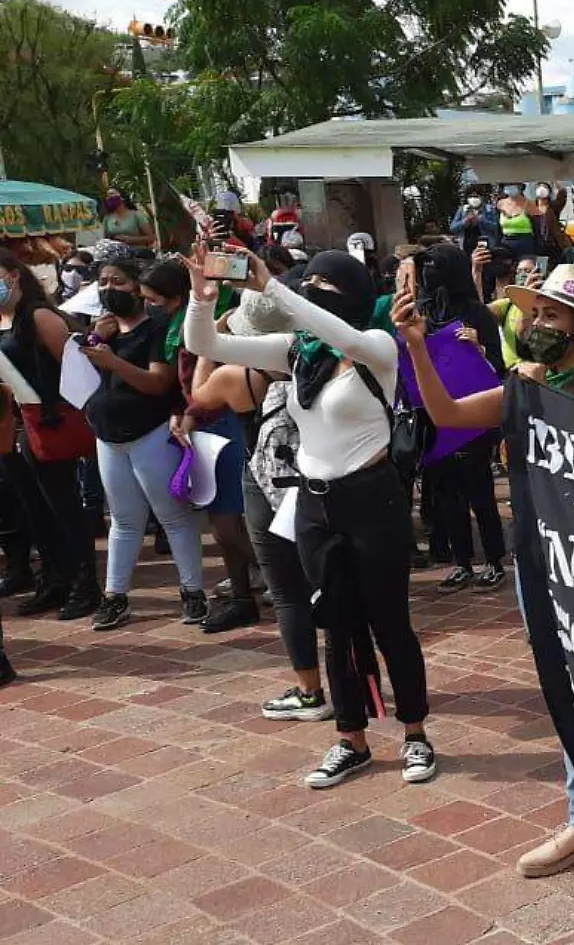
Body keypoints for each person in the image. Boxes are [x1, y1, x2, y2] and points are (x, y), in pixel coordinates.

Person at [399, 264, 574, 896]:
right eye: (533, 315)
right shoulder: (523, 385)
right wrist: (414, 345)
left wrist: (547, 399)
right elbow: (447, 412)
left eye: (552, 317)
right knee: (563, 688)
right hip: (538, 558)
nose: (537, 326)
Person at [181, 245, 438, 789]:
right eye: (309, 283)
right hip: (314, 503)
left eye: (326, 285)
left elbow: (340, 333)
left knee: (390, 622)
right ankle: (352, 739)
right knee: (335, 624)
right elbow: (204, 345)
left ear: (356, 296)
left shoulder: (375, 346)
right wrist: (201, 300)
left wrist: (273, 287)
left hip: (372, 499)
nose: (313, 293)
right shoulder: (298, 351)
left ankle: (415, 734)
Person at [174, 285, 328, 721]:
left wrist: (215, 336)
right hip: (319, 477)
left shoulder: (238, 375)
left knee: (287, 593)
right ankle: (358, 681)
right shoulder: (322, 360)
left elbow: (198, 394)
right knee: (334, 583)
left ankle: (309, 690)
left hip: (263, 481)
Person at [77, 256, 208, 630]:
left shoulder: (157, 328)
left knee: (173, 516)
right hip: (108, 436)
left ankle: (193, 591)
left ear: (138, 287)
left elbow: (157, 383)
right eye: (103, 282)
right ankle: (115, 595)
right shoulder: (102, 331)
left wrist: (113, 362)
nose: (109, 289)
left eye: (117, 281)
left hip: (149, 433)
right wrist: (96, 341)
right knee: (123, 519)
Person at [143, 259, 262, 633]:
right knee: (220, 520)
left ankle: (290, 578)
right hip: (201, 423)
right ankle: (246, 592)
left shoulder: (218, 315)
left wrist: (193, 410)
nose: (151, 306)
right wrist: (182, 411)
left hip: (223, 421)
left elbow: (215, 377)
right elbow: (184, 378)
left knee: (228, 522)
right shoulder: (178, 323)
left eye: (156, 299)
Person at [0, 250, 100, 621]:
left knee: (63, 506)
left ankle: (84, 582)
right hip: (14, 424)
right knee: (33, 508)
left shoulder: (39, 316)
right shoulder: (4, 318)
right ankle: (55, 578)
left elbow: (76, 369)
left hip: (48, 420)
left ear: (13, 275)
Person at [412, 244, 508, 593]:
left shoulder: (477, 315)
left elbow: (498, 368)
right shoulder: (421, 313)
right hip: (434, 418)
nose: (429, 273)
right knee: (447, 496)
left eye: (436, 266)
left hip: (472, 416)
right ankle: (462, 562)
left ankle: (494, 560)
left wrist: (478, 348)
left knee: (480, 492)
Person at [451, 190, 502, 258]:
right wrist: (464, 222)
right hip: (465, 246)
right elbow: (453, 228)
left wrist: (481, 220)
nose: (473, 199)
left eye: (476, 196)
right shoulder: (462, 210)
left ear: (482, 197)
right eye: (470, 196)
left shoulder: (490, 209)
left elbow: (496, 228)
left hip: (485, 246)